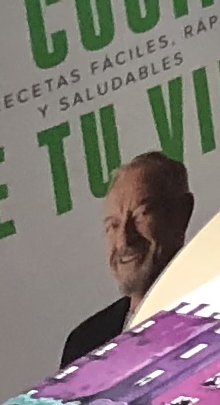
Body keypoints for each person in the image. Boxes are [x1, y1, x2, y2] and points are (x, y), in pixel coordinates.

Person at [62, 151, 196, 365]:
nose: (124, 240)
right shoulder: (85, 343)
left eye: (141, 215)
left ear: (182, 212)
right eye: (113, 225)